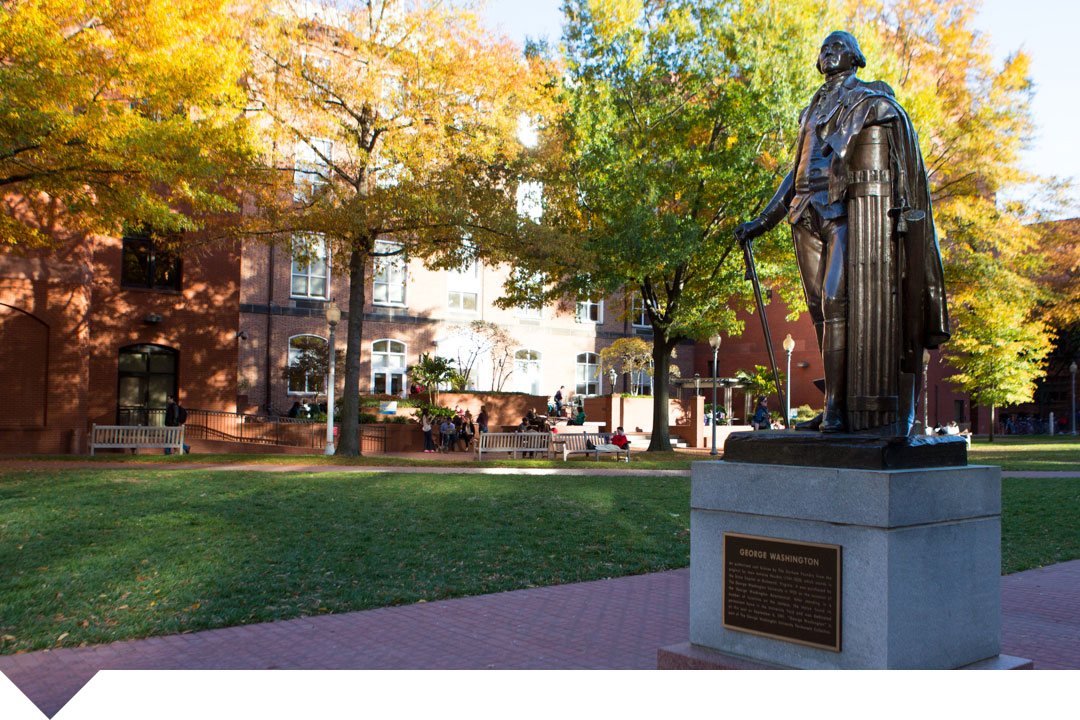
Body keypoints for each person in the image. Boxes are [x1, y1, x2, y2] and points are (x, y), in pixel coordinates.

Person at [735, 30, 949, 435]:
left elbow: (891, 114)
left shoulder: (867, 96)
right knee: (819, 309)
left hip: (842, 210)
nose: (828, 53)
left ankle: (837, 408)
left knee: (836, 301)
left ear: (854, 58)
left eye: (837, 47)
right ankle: (834, 401)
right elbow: (795, 174)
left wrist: (877, 110)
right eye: (824, 48)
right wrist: (761, 222)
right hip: (804, 212)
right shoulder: (811, 108)